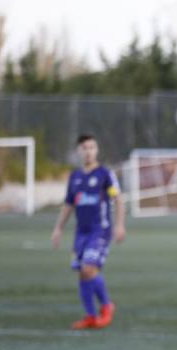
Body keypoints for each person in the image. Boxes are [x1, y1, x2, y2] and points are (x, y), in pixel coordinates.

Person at [51, 134, 125, 330]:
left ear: (97, 150)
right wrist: (58, 228)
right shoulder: (74, 177)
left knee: (88, 269)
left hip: (99, 230)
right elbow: (68, 204)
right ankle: (91, 316)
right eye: (84, 148)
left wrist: (119, 224)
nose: (88, 151)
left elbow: (117, 199)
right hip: (80, 232)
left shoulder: (105, 174)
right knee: (82, 274)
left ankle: (107, 305)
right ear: (78, 151)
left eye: (92, 147)